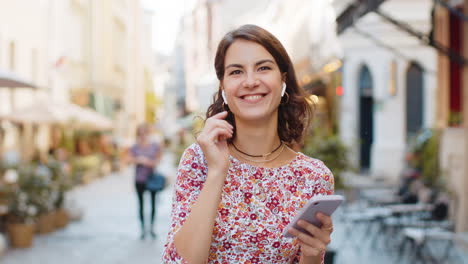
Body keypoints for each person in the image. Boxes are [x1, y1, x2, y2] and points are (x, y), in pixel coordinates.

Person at [163, 24, 335, 263]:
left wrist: (313, 254)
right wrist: (217, 172)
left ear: (282, 79)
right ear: (223, 86)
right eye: (236, 72)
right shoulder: (199, 159)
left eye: (263, 68)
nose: (251, 81)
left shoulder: (313, 176)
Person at [128, 124, 161, 239]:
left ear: (147, 133)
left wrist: (148, 162)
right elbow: (129, 159)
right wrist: (138, 160)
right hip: (139, 179)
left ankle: (151, 228)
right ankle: (143, 229)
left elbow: (157, 161)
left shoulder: (154, 146)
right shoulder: (134, 147)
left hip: (151, 178)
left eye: (144, 133)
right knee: (141, 204)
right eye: (140, 133)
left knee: (153, 204)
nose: (142, 135)